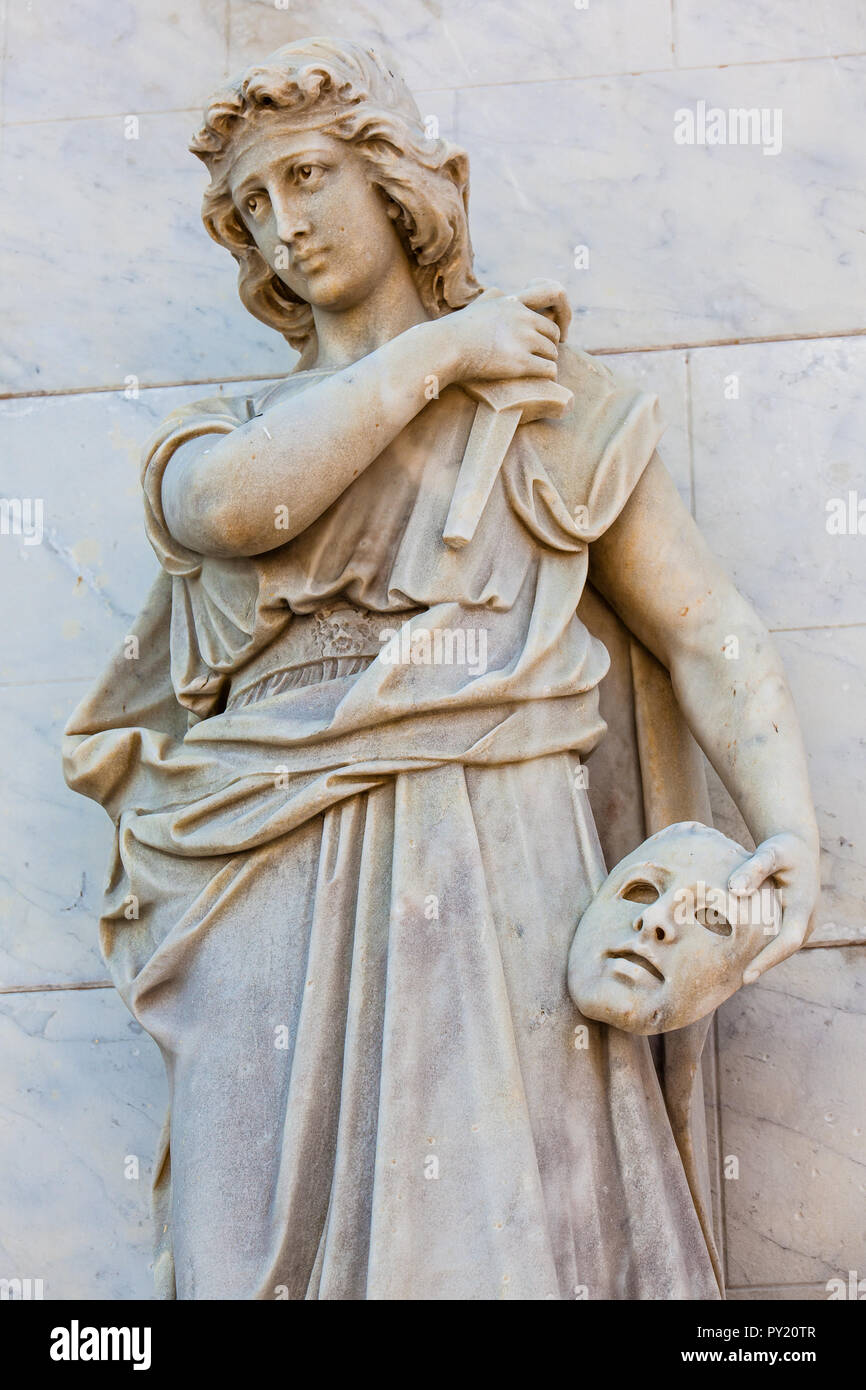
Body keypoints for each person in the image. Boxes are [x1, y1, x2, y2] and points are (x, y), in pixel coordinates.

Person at [64, 38, 819, 1301]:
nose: (284, 225)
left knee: (493, 1232)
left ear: (405, 183)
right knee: (237, 1253)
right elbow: (234, 510)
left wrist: (786, 829)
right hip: (266, 862)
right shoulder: (230, 432)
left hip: (491, 855)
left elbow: (703, 626)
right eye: (253, 204)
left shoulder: (549, 411)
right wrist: (443, 355)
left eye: (307, 176)